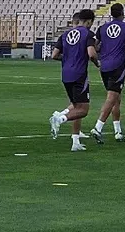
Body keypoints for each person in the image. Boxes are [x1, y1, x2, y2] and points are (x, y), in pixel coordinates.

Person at [48, 9, 98, 151]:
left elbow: (54, 55)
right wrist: (97, 63)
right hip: (79, 74)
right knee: (83, 110)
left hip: (66, 74)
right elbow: (91, 54)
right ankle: (60, 118)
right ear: (89, 21)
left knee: (76, 106)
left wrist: (68, 59)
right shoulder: (88, 34)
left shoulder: (65, 34)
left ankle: (75, 142)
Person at [90, 2, 125, 142]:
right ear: (123, 13)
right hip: (118, 66)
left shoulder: (102, 28)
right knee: (112, 97)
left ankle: (118, 131)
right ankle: (98, 127)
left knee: (116, 98)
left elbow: (95, 46)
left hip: (104, 66)